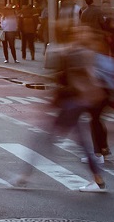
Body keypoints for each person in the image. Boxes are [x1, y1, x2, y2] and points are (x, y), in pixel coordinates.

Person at [16, 24, 108, 192]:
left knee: (43, 139)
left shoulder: (76, 53)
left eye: (80, 32)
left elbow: (69, 79)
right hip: (75, 103)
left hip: (71, 104)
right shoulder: (83, 53)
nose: (77, 34)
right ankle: (98, 179)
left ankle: (24, 175)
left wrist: (51, 100)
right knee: (82, 143)